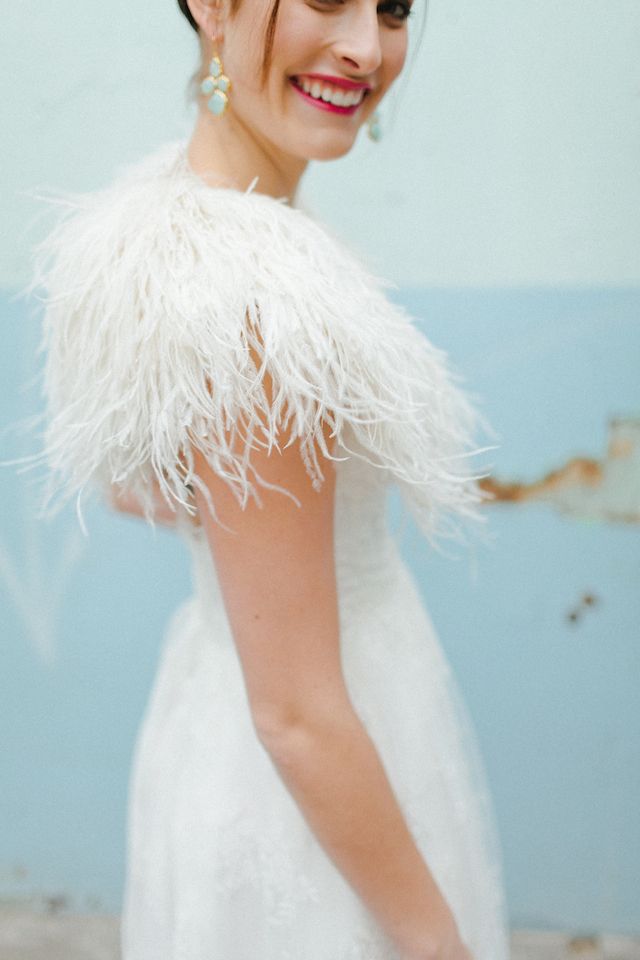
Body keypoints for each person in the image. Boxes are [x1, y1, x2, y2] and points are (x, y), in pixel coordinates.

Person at [29, 0, 511, 956]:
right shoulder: (256, 298)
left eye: (395, 9)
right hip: (310, 772)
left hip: (231, 707)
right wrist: (436, 943)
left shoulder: (170, 220)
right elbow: (293, 711)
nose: (369, 48)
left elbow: (137, 478)